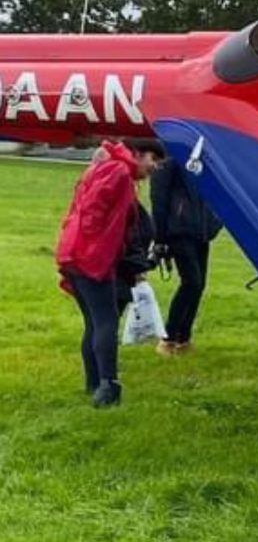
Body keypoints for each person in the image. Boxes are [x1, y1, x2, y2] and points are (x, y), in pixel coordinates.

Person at [56, 137, 166, 407]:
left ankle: (94, 383)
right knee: (106, 321)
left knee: (94, 323)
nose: (155, 168)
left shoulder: (104, 167)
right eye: (153, 160)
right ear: (138, 154)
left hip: (75, 253)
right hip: (91, 258)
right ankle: (108, 386)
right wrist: (101, 250)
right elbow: (93, 212)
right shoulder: (117, 172)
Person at [151, 158, 223, 356]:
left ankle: (183, 337)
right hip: (179, 230)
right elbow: (159, 200)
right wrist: (160, 238)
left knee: (198, 284)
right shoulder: (168, 162)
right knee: (192, 282)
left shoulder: (199, 159)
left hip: (200, 229)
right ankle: (169, 336)